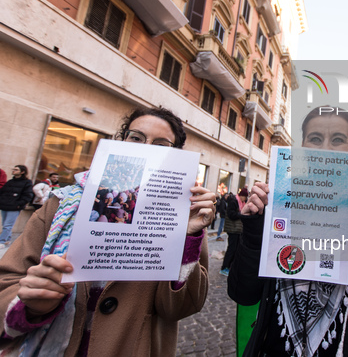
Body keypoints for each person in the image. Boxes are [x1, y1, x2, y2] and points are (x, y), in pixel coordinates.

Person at [0, 107, 215, 356]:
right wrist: (32, 301)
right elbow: (7, 282)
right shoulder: (61, 203)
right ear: (121, 140)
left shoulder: (184, 214)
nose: (145, 147)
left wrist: (187, 238)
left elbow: (182, 306)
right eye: (136, 138)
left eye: (161, 144)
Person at [228, 107, 348, 356]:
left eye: (338, 140)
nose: (325, 148)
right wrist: (255, 234)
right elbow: (241, 292)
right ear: (302, 147)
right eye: (315, 139)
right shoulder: (278, 203)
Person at [0, 165, 34, 248]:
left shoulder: (27, 182)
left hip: (15, 207)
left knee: (7, 225)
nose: (13, 171)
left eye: (16, 169)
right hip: (4, 206)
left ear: (22, 172)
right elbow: (2, 192)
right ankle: (8, 239)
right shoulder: (10, 182)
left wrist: (19, 204)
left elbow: (28, 196)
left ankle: (2, 241)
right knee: (5, 224)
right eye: (13, 169)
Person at [220, 189, 247, 276]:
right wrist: (241, 214)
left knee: (236, 248)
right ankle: (224, 267)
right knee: (231, 248)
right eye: (245, 197)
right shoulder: (234, 201)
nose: (245, 199)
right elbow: (231, 215)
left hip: (237, 229)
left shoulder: (241, 203)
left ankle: (230, 266)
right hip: (232, 229)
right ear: (241, 196)